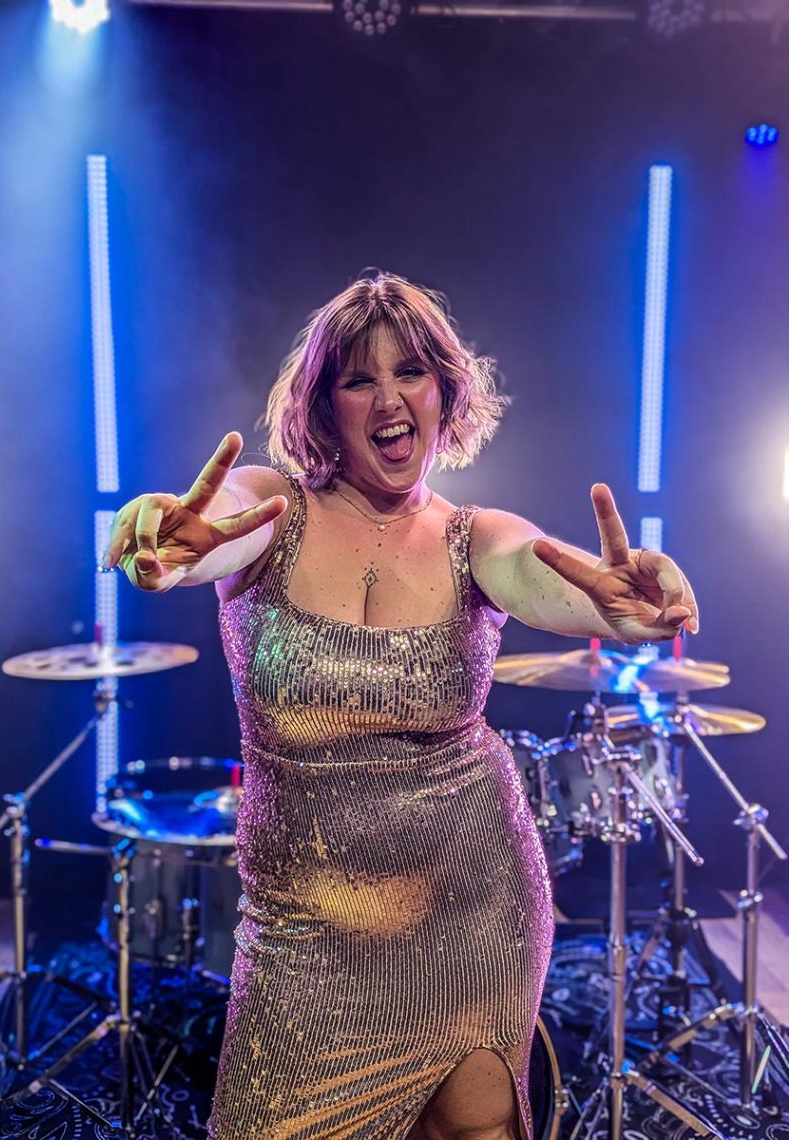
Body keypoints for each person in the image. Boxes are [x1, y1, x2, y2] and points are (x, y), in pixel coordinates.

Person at [103, 273, 697, 1140]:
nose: (388, 399)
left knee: (473, 1131)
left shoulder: (475, 536)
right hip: (304, 930)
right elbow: (212, 527)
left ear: (443, 393)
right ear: (324, 407)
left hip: (471, 903)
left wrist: (613, 606)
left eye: (410, 372)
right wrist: (164, 530)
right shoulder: (272, 510)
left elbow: (540, 572)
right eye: (358, 379)